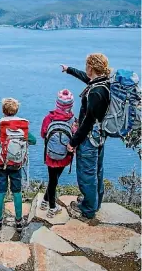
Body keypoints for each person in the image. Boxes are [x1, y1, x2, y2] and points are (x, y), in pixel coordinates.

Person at [61, 53, 111, 219]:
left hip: (89, 138)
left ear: (91, 67)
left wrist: (73, 142)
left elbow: (88, 122)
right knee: (97, 171)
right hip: (100, 136)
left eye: (86, 65)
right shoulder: (104, 82)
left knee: (87, 174)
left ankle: (88, 209)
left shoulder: (96, 93)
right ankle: (95, 202)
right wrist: (69, 70)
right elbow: (86, 78)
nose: (85, 68)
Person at [0, 98, 36, 232]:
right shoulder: (22, 125)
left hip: (1, 164)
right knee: (16, 192)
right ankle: (18, 222)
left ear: (3, 110)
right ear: (16, 110)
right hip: (16, 164)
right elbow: (33, 140)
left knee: (0, 192)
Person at [40, 89, 77, 218]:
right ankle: (52, 208)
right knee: (54, 180)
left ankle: (45, 201)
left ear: (57, 103)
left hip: (50, 155)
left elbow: (43, 134)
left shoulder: (49, 118)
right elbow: (75, 138)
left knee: (52, 180)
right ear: (71, 105)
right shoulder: (73, 120)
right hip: (64, 156)